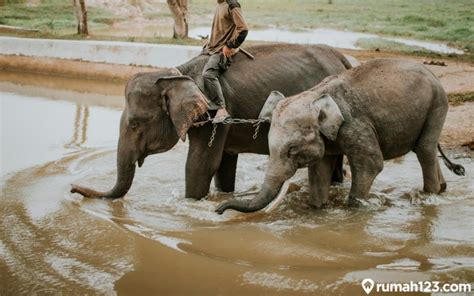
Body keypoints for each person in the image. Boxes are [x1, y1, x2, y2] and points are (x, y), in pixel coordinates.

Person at [202, 0, 249, 123]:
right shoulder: (220, 4)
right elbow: (222, 27)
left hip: (221, 51)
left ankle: (221, 108)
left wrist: (230, 45)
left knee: (208, 75)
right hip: (211, 48)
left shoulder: (232, 5)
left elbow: (243, 29)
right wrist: (210, 41)